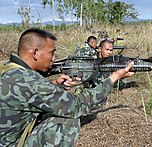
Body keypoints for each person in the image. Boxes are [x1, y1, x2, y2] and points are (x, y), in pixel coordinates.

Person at [0, 28, 134, 146]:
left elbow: (25, 96)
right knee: (67, 120)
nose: (53, 58)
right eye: (52, 53)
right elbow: (76, 105)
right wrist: (114, 78)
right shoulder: (30, 80)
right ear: (35, 53)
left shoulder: (10, 68)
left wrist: (54, 85)